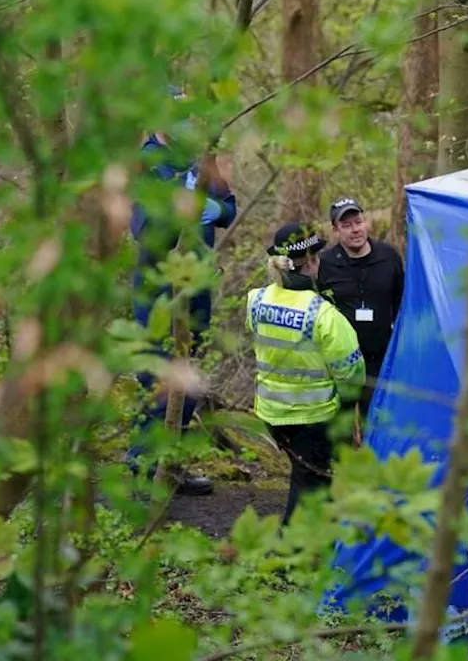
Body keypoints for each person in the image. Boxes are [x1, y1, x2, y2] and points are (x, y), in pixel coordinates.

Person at [126, 86, 236, 496]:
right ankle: (142, 470)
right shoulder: (147, 163)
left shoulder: (199, 159)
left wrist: (213, 207)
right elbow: (144, 230)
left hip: (197, 288)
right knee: (155, 380)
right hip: (158, 291)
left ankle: (169, 466)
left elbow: (229, 208)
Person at [247, 222, 366, 525]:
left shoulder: (256, 301)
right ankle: (293, 555)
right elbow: (352, 374)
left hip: (271, 414)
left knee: (305, 478)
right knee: (312, 487)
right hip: (312, 419)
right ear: (312, 262)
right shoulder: (324, 315)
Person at [317, 197, 405, 420]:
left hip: (380, 356)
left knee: (375, 419)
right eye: (346, 226)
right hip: (341, 361)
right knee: (341, 422)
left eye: (358, 222)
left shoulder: (389, 256)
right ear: (335, 230)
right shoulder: (325, 264)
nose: (355, 230)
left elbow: (402, 302)